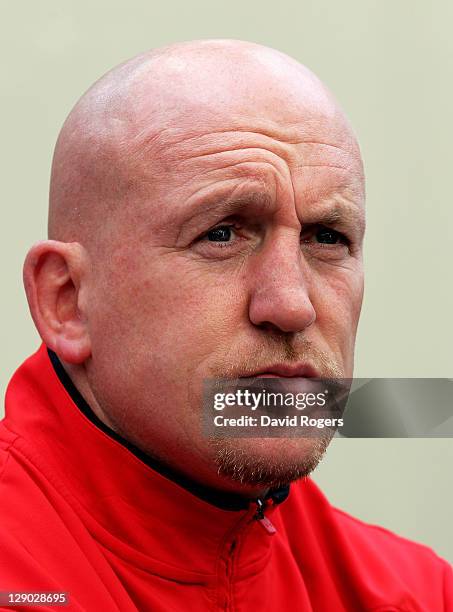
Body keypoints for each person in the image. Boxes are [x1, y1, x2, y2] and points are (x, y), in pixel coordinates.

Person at [0, 39, 451, 611]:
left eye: (326, 238)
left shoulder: (414, 593)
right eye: (222, 234)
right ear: (67, 300)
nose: (292, 306)